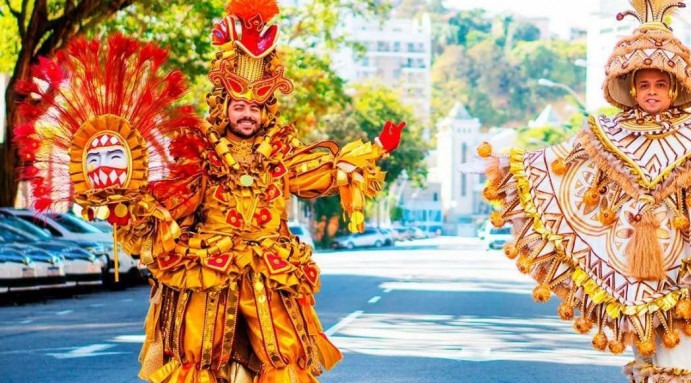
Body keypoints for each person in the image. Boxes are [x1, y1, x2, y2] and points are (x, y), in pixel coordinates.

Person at [15, 1, 404, 382]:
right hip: (208, 266)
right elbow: (174, 201)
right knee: (199, 354)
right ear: (224, 105)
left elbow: (319, 171)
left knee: (285, 353)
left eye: (255, 105)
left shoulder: (282, 151)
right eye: (239, 105)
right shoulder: (200, 151)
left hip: (269, 269)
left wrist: (376, 147)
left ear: (267, 108)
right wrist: (131, 207)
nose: (247, 113)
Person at [479, 1, 691, 381]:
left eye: (661, 84)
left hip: (684, 259)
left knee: (677, 351)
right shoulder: (606, 134)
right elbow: (560, 161)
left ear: (676, 88)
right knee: (646, 354)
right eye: (645, 85)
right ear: (632, 89)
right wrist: (505, 165)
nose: (652, 92)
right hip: (628, 258)